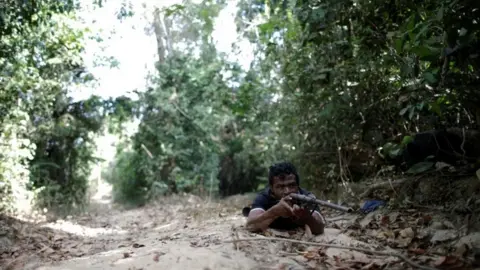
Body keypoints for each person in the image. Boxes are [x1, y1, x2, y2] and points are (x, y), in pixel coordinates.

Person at [245, 162, 326, 235]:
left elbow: (320, 229)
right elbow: (250, 226)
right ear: (272, 188)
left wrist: (306, 217)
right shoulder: (264, 197)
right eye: (280, 186)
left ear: (298, 186)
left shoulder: (306, 197)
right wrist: (274, 212)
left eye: (291, 185)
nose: (287, 191)